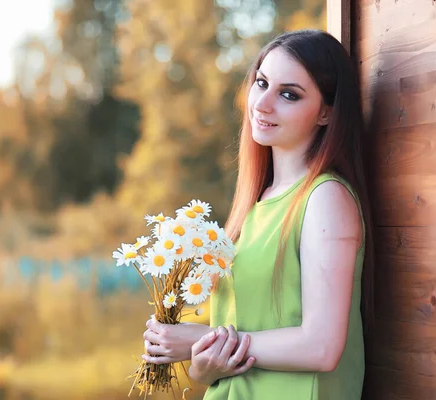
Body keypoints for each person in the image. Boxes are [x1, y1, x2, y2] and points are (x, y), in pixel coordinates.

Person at [142, 29, 374, 400]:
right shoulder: (254, 204)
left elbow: (322, 347)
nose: (263, 104)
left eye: (288, 94)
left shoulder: (324, 198)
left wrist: (201, 339)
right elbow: (228, 363)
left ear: (326, 113)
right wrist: (205, 362)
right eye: (261, 83)